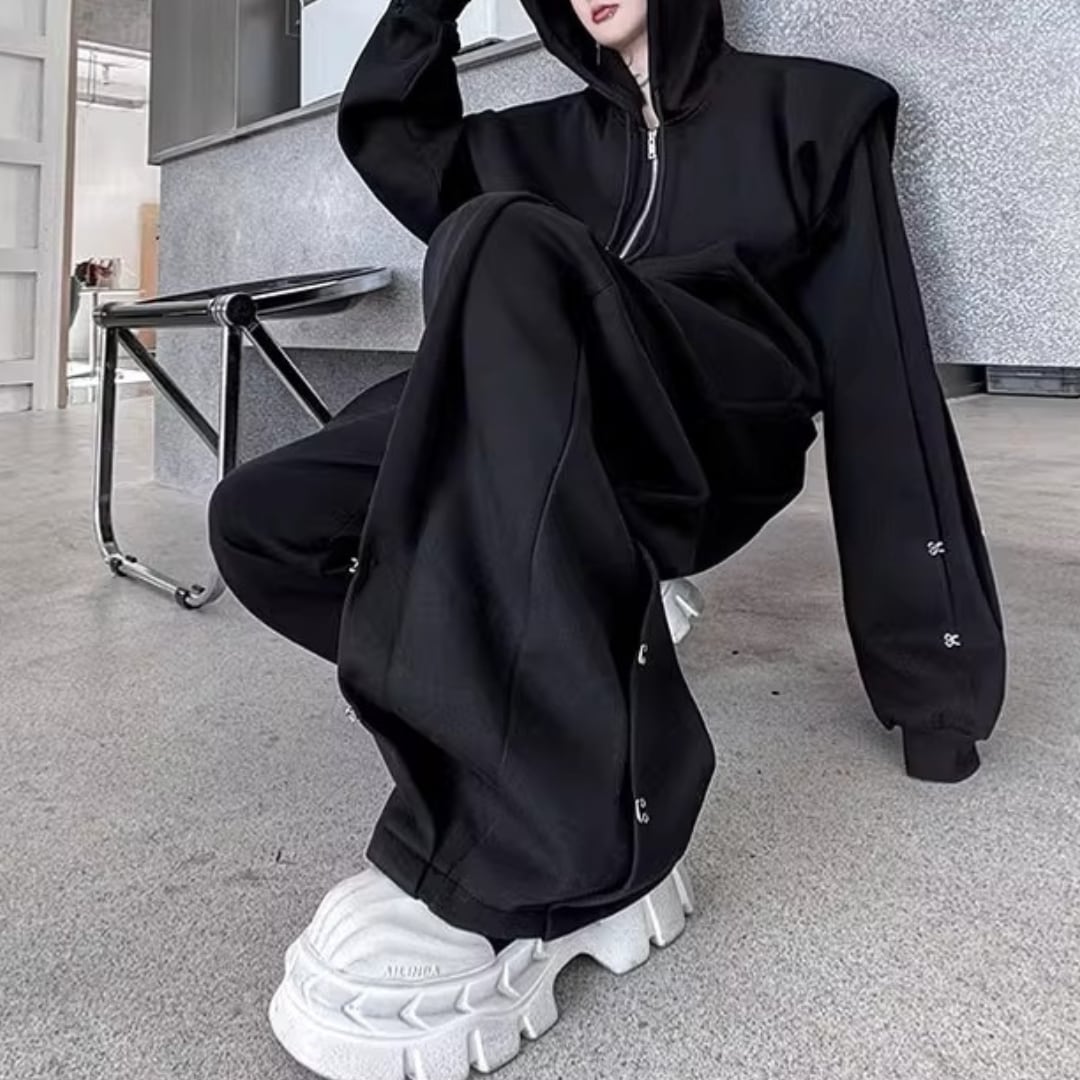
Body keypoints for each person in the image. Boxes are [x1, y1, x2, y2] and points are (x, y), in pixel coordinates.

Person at [206, 0, 1007, 1075]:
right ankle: (578, 647)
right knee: (261, 524)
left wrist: (935, 690)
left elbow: (882, 383)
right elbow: (393, 132)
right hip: (543, 418)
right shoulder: (537, 143)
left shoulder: (811, 113)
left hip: (708, 435)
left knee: (498, 233)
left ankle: (559, 843)